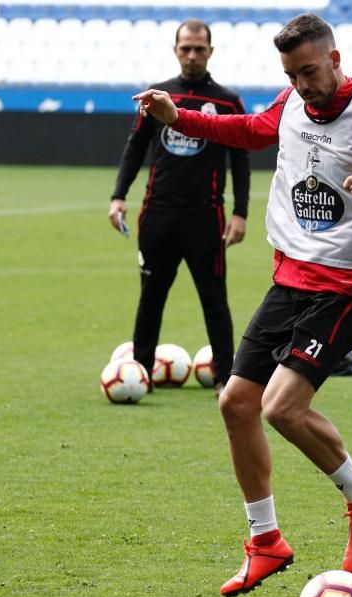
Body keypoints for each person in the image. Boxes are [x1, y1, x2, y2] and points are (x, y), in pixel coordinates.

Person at [133, 13, 352, 597]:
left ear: (335, 59)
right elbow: (251, 131)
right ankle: (265, 541)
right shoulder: (291, 103)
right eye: (291, 75)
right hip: (290, 280)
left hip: (348, 287)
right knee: (235, 402)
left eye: (309, 71)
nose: (302, 85)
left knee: (281, 408)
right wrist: (180, 117)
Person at [108, 19, 250, 393]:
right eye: (185, 48)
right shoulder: (157, 97)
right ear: (175, 50)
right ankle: (138, 374)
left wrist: (241, 212)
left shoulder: (227, 101)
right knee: (150, 297)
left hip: (206, 215)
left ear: (210, 52)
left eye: (199, 49)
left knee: (214, 299)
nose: (191, 55)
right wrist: (119, 195)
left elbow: (240, 158)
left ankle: (225, 377)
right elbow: (135, 146)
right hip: (157, 213)